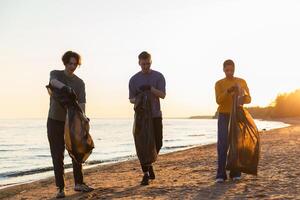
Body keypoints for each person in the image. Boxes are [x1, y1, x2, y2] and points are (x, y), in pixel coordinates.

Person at [47, 51, 93, 198]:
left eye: (75, 64)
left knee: (76, 151)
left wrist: (84, 118)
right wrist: (65, 88)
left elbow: (82, 104)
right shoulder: (56, 74)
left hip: (72, 122)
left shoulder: (80, 83)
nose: (72, 66)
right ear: (65, 63)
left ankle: (79, 183)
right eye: (70, 63)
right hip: (54, 121)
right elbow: (53, 83)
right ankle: (60, 188)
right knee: (57, 154)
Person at [129, 51, 166, 185]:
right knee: (142, 145)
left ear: (151, 62)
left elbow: (162, 95)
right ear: (139, 63)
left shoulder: (158, 76)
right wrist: (139, 97)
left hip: (155, 115)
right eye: (143, 64)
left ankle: (149, 165)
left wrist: (150, 89)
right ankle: (145, 174)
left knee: (158, 143)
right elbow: (131, 99)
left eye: (148, 63)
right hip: (141, 117)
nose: (145, 66)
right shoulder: (133, 79)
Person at [214, 59, 251, 183]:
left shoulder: (241, 81)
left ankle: (235, 172)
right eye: (227, 70)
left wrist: (242, 93)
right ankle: (221, 174)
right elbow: (218, 100)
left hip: (237, 116)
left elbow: (249, 99)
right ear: (223, 69)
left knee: (236, 144)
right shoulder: (219, 83)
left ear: (234, 69)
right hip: (224, 115)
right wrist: (228, 91)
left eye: (231, 70)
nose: (229, 72)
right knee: (223, 144)